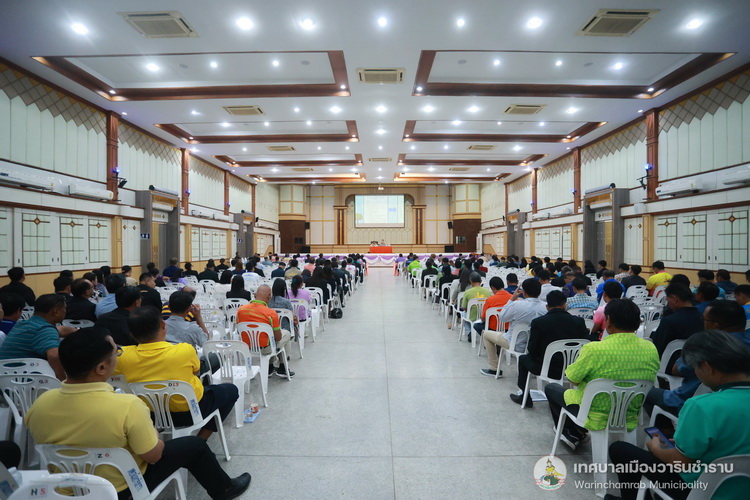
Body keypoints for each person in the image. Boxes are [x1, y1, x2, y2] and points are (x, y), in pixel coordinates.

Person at [25, 328, 251, 500]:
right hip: (123, 489)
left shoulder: (39, 404)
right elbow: (153, 456)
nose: (118, 356)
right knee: (195, 446)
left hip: (66, 489)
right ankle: (224, 489)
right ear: (101, 368)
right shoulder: (126, 406)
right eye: (116, 352)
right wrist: (154, 434)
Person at [608, 330, 750, 500]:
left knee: (620, 450)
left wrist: (655, 447)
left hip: (702, 491)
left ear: (706, 367)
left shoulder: (702, 405)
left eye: (695, 368)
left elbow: (680, 462)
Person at [546, 298, 659, 450]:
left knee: (551, 388)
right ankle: (575, 431)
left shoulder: (594, 349)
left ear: (609, 320)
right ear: (637, 322)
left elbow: (573, 378)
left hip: (593, 413)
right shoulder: (651, 348)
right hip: (629, 413)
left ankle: (570, 431)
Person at [115, 306, 239, 440]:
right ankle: (201, 439)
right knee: (231, 390)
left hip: (150, 415)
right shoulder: (184, 350)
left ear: (131, 334)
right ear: (163, 325)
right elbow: (197, 370)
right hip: (190, 412)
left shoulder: (122, 356)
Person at [645, 300, 750, 420]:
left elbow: (677, 370)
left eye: (704, 319)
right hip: (739, 407)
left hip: (689, 401)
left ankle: (666, 428)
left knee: (645, 391)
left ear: (715, 325)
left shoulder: (704, 344)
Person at [510, 291, 588, 407]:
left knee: (523, 359)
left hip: (546, 369)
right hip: (573, 369)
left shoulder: (539, 322)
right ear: (564, 305)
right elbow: (586, 344)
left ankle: (525, 397)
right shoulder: (579, 321)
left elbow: (532, 349)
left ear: (547, 307)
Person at [481, 279, 546, 377]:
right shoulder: (545, 307)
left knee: (486, 334)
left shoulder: (517, 304)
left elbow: (502, 318)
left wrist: (512, 299)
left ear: (524, 292)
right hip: (533, 345)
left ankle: (494, 368)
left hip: (514, 343)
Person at [0, 294, 66, 379]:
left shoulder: (22, 324)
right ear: (56, 311)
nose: (65, 312)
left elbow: (60, 330)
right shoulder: (45, 329)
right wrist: (62, 380)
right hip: (25, 381)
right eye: (64, 309)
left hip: (5, 379)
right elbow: (54, 356)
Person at [236, 285, 294, 378]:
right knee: (286, 334)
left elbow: (239, 331)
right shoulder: (270, 313)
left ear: (255, 295)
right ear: (269, 296)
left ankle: (270, 368)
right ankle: (282, 367)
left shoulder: (240, 310)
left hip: (247, 347)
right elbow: (278, 337)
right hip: (265, 349)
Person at [651, 283, 703, 357]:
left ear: (674, 299)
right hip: (698, 359)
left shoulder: (669, 321)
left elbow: (656, 348)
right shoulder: (703, 317)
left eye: (667, 300)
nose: (668, 303)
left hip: (669, 361)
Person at [472, 276, 512, 342]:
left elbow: (483, 318)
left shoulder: (490, 300)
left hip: (492, 329)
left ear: (492, 288)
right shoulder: (513, 298)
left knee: (476, 325)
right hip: (508, 329)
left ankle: (490, 341)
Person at [459, 273, 492, 340]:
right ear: (481, 281)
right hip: (484, 317)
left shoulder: (467, 292)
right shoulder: (488, 292)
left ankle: (469, 332)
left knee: (463, 314)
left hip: (471, 316)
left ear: (470, 281)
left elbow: (464, 307)